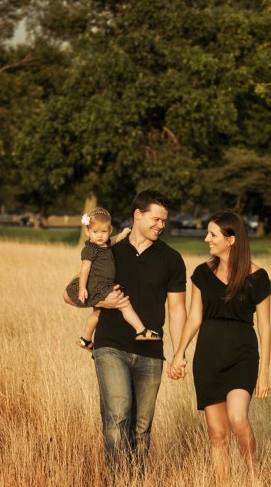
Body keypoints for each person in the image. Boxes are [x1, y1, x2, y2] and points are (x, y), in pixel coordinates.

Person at [168, 211, 271, 484]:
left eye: (213, 234)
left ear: (231, 239)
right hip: (208, 358)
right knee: (217, 435)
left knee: (238, 418)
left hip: (242, 357)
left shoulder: (258, 278)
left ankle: (254, 477)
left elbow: (265, 328)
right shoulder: (202, 274)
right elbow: (194, 317)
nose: (207, 239)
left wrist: (263, 373)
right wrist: (179, 354)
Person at [92, 190, 187, 473]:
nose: (161, 225)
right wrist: (104, 301)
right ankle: (118, 478)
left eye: (164, 221)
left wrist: (179, 353)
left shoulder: (172, 259)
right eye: (156, 219)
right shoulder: (110, 252)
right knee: (118, 416)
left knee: (142, 429)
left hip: (151, 351)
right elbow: (72, 293)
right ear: (137, 214)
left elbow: (177, 310)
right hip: (111, 345)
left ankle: (137, 478)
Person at [63, 207, 162, 352]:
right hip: (98, 285)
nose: (99, 235)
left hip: (103, 285)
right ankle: (141, 330)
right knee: (124, 304)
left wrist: (124, 233)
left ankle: (86, 339)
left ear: (110, 230)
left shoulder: (104, 244)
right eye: (95, 232)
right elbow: (84, 270)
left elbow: (114, 240)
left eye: (103, 232)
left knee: (97, 313)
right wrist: (82, 287)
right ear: (87, 231)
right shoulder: (90, 249)